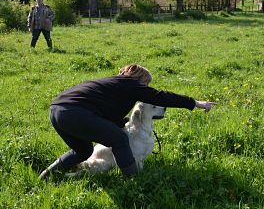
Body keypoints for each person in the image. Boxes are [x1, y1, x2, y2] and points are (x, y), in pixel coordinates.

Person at [39, 64, 215, 179]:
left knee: (84, 150)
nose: (145, 89)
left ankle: (47, 175)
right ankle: (133, 180)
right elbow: (161, 96)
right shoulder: (130, 85)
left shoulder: (112, 83)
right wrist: (195, 103)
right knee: (119, 139)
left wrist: (120, 123)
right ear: (140, 81)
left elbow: (103, 115)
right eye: (145, 85)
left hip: (56, 111)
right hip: (74, 113)